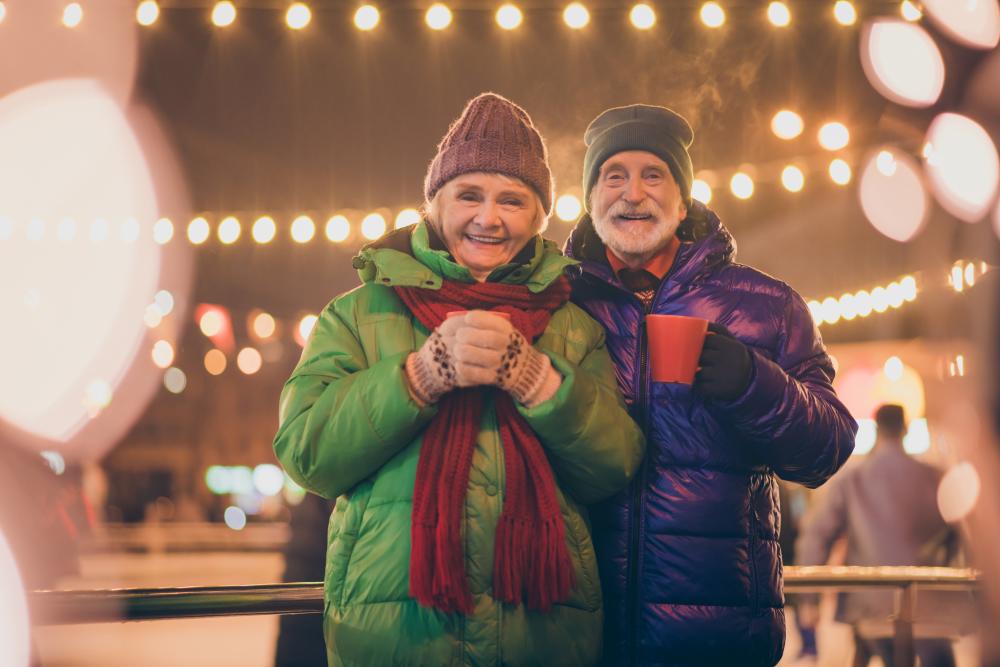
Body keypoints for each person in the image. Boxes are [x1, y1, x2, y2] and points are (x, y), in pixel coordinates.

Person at [273, 92, 645, 667]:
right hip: (396, 636)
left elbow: (614, 466)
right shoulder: (358, 313)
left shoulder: (573, 326)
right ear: (434, 204)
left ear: (539, 216)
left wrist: (539, 381)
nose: (488, 218)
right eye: (469, 195)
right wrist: (419, 376)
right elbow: (306, 452)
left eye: (513, 201)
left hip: (540, 636)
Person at [563, 103, 858, 666]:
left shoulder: (766, 305)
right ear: (591, 196)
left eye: (654, 174)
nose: (633, 194)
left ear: (683, 197)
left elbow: (828, 449)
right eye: (613, 175)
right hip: (577, 628)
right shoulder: (556, 299)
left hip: (719, 634)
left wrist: (753, 383)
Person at [796, 404, 966, 667]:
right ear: (905, 429)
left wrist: (809, 600)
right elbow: (962, 532)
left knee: (878, 650)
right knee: (940, 657)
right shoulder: (936, 477)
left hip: (872, 606)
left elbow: (816, 537)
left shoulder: (853, 479)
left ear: (876, 430)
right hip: (930, 603)